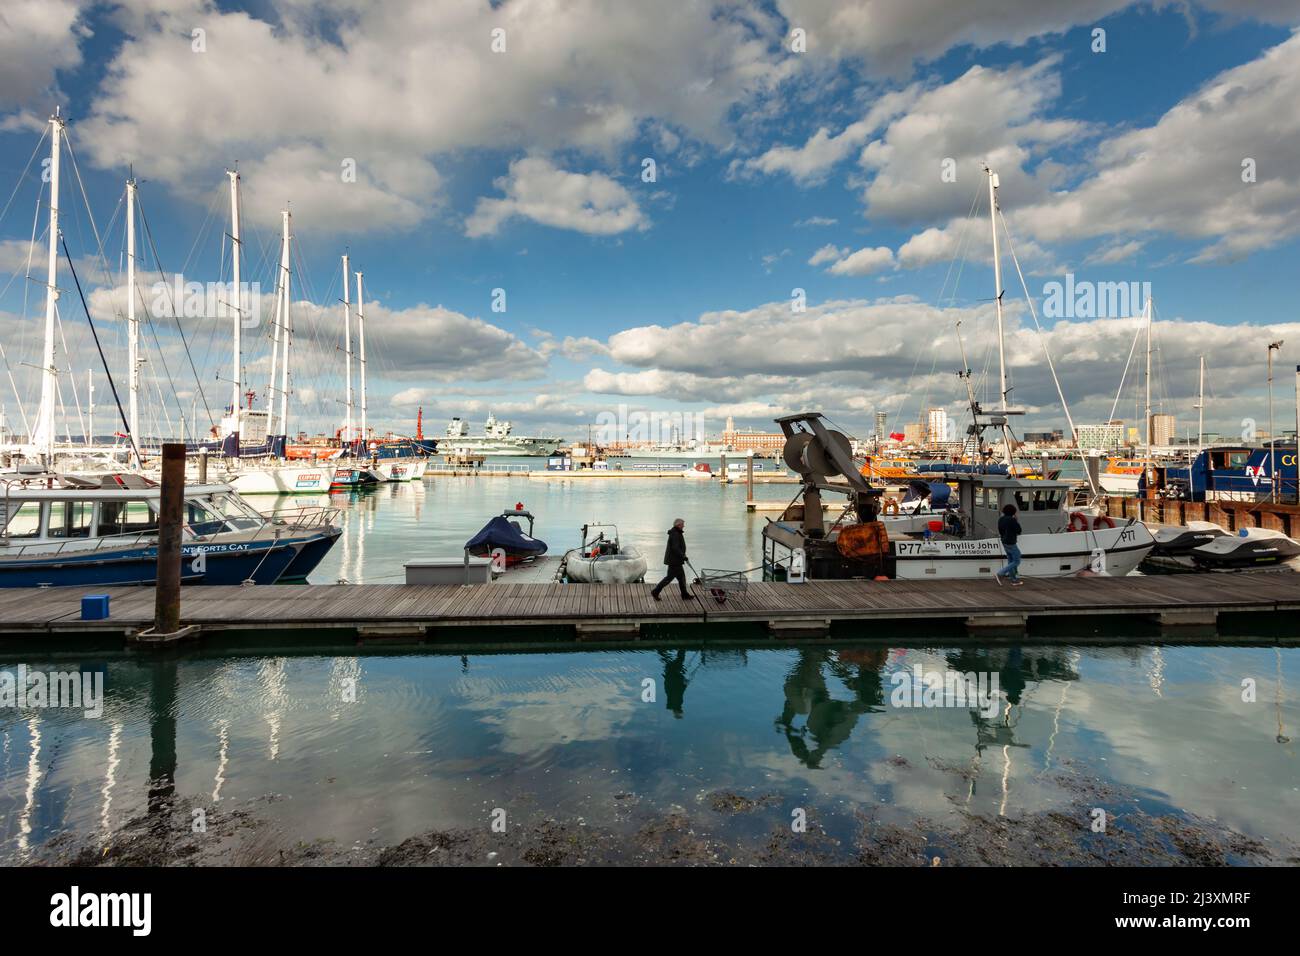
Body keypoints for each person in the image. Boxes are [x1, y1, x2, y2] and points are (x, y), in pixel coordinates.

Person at [651, 518, 692, 600]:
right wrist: (683, 556)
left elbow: (677, 548)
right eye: (682, 524)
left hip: (675, 560)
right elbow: (675, 548)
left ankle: (684, 594)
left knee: (681, 578)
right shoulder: (675, 534)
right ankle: (655, 591)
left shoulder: (676, 532)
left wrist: (683, 555)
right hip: (674, 561)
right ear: (678, 525)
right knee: (669, 578)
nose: (684, 526)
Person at [995, 503, 1024, 586]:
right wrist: (1016, 520)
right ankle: (1000, 573)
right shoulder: (1012, 520)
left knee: (1010, 560)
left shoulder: (1001, 519)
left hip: (1004, 541)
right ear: (1013, 512)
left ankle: (1013, 580)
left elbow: (1000, 530)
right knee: (1017, 560)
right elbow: (1019, 530)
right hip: (1011, 542)